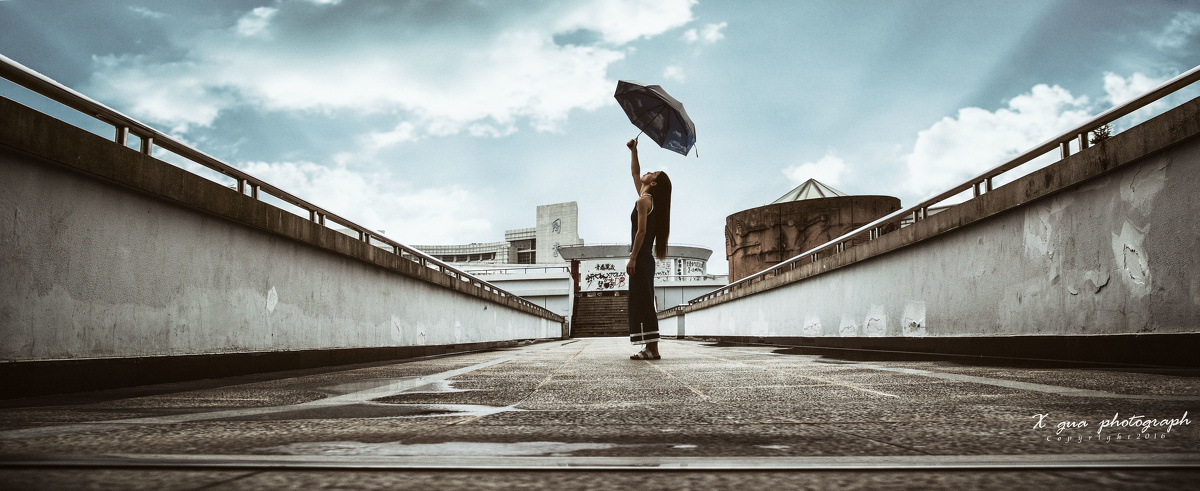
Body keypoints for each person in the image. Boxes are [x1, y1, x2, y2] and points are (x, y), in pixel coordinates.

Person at [625, 137, 672, 360]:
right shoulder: (645, 198)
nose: (648, 172)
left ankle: (652, 349)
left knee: (642, 302)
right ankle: (650, 347)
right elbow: (635, 173)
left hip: (641, 258)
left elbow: (641, 233)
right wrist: (634, 151)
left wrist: (632, 257)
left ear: (654, 184)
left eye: (653, 174)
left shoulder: (644, 201)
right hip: (646, 259)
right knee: (643, 300)